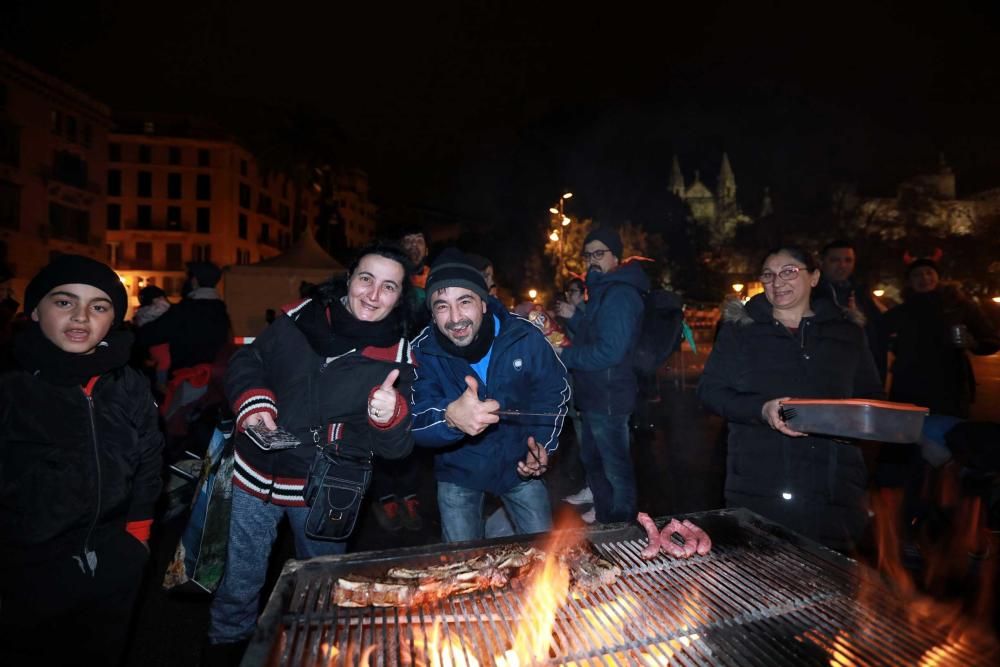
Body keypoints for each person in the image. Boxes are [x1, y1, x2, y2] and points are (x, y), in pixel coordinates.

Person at [205, 242, 417, 657]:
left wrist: (389, 414)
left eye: (389, 287)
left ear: (400, 297)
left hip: (322, 489)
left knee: (320, 592)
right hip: (252, 473)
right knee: (237, 587)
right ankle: (225, 652)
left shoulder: (398, 358)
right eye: (366, 279)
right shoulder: (299, 316)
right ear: (349, 279)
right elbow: (249, 358)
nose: (373, 295)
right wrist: (254, 399)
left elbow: (396, 449)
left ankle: (316, 656)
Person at [0, 255, 163, 665]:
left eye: (99, 306)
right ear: (35, 310)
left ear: (114, 320)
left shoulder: (128, 382)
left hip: (113, 560)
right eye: (64, 302)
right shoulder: (11, 384)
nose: (81, 317)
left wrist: (137, 537)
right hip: (27, 570)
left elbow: (149, 458)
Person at [697, 246, 884, 551]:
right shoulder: (741, 330)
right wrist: (762, 409)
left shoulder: (847, 332)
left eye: (789, 272)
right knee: (762, 575)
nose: (777, 282)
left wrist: (854, 425)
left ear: (814, 277)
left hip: (835, 485)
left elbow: (871, 396)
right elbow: (710, 392)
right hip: (761, 481)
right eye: (768, 275)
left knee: (831, 583)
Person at [410, 248, 569, 542]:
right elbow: (413, 419)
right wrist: (449, 419)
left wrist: (542, 446)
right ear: (431, 313)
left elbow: (552, 391)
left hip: (518, 465)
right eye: (442, 306)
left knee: (545, 555)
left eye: (465, 302)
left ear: (484, 303)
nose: (455, 318)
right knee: (463, 567)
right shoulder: (422, 351)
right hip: (458, 472)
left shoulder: (523, 336)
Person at [555, 227, 648, 524]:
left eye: (599, 253)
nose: (591, 260)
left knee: (614, 470)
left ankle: (622, 529)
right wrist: (576, 317)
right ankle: (607, 521)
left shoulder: (620, 294)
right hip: (595, 393)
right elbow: (594, 336)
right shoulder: (601, 291)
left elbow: (609, 352)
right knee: (595, 465)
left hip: (609, 396)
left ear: (616, 257)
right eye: (588, 255)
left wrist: (564, 355)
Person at [883, 256, 1000, 418]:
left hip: (951, 386)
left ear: (938, 277)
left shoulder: (960, 307)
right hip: (909, 387)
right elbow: (875, 331)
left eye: (929, 273)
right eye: (917, 275)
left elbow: (991, 339)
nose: (924, 278)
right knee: (909, 438)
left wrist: (973, 344)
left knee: (949, 436)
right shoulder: (902, 311)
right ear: (909, 282)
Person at [135, 261, 231, 437]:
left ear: (194, 280)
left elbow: (148, 335)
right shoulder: (221, 310)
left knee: (175, 433)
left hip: (187, 384)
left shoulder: (185, 310)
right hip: (214, 386)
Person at [815, 240, 888, 380]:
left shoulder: (861, 293)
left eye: (848, 260)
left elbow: (878, 333)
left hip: (861, 372)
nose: (842, 266)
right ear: (822, 262)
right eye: (835, 260)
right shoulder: (811, 294)